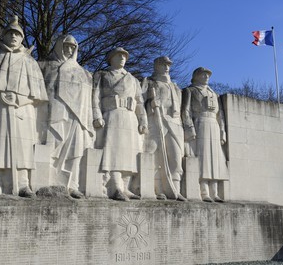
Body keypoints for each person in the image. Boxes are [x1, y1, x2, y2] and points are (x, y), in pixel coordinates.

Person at [0, 16, 48, 197]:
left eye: (18, 34)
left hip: (22, 108)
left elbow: (38, 97)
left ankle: (23, 183)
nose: (14, 37)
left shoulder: (30, 62)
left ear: (22, 38)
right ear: (4, 35)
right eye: (11, 33)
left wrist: (19, 100)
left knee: (22, 146)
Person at [40, 34, 94, 199]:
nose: (69, 50)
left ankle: (73, 185)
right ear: (58, 46)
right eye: (66, 46)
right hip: (56, 112)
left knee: (75, 151)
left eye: (72, 47)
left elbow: (88, 99)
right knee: (53, 144)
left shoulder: (84, 73)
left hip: (78, 116)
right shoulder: (45, 66)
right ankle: (47, 181)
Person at [92, 47, 148, 201]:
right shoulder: (102, 75)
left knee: (130, 153)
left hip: (130, 117)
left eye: (124, 56)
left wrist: (143, 120)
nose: (122, 58)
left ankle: (126, 186)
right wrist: (97, 115)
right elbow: (95, 96)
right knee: (114, 152)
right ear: (111, 58)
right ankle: (116, 187)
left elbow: (139, 102)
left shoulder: (133, 79)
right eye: (119, 55)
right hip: (112, 114)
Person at [181, 67, 228, 202]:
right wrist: (189, 128)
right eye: (203, 74)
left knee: (216, 161)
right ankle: (204, 192)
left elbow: (221, 116)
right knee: (203, 160)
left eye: (208, 75)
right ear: (196, 75)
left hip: (214, 125)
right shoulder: (190, 90)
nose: (206, 76)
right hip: (200, 123)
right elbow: (186, 111)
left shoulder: (214, 94)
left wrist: (222, 132)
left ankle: (215, 192)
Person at [144, 56, 186, 201]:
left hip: (174, 123)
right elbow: (140, 103)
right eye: (163, 64)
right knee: (154, 155)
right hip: (156, 121)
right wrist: (151, 104)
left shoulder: (175, 87)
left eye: (168, 64)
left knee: (176, 159)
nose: (167, 67)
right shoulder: (149, 82)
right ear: (156, 65)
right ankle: (158, 189)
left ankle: (175, 190)